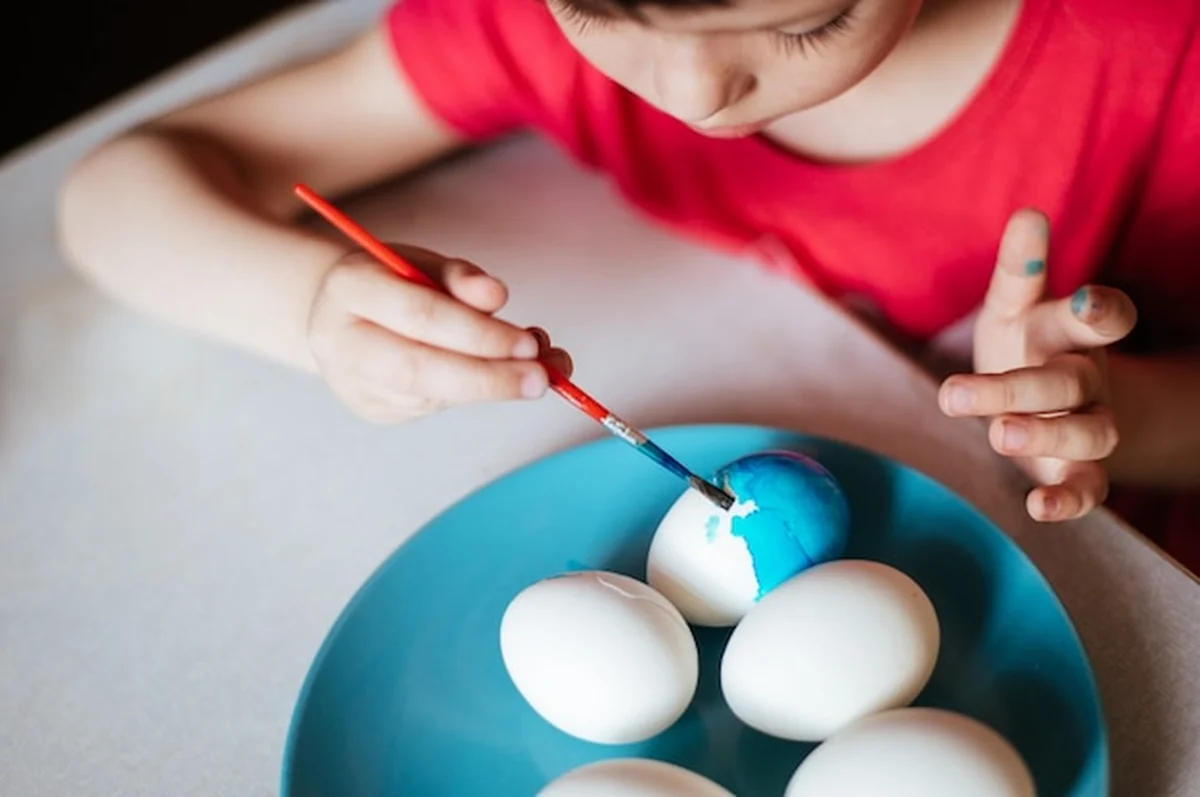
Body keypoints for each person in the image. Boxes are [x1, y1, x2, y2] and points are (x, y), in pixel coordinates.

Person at [56, 0, 1200, 570]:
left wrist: (1126, 417)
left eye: (809, 25)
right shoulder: (524, 22)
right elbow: (116, 191)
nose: (693, 95)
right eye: (596, 9)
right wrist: (309, 307)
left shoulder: (1153, 54)